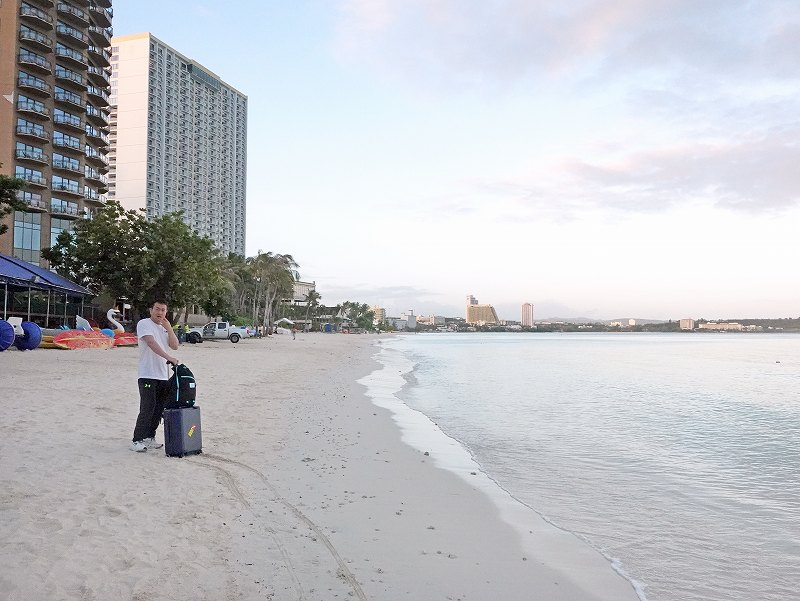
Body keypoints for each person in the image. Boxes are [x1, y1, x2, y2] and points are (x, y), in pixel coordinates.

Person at [130, 300, 179, 452]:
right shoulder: (144, 324)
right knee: (147, 407)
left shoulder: (163, 328)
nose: (160, 312)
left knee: (158, 409)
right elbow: (151, 343)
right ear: (151, 310)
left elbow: (175, 345)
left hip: (163, 375)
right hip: (147, 374)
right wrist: (168, 357)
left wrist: (169, 329)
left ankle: (149, 437)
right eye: (157, 309)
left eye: (163, 310)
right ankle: (137, 440)